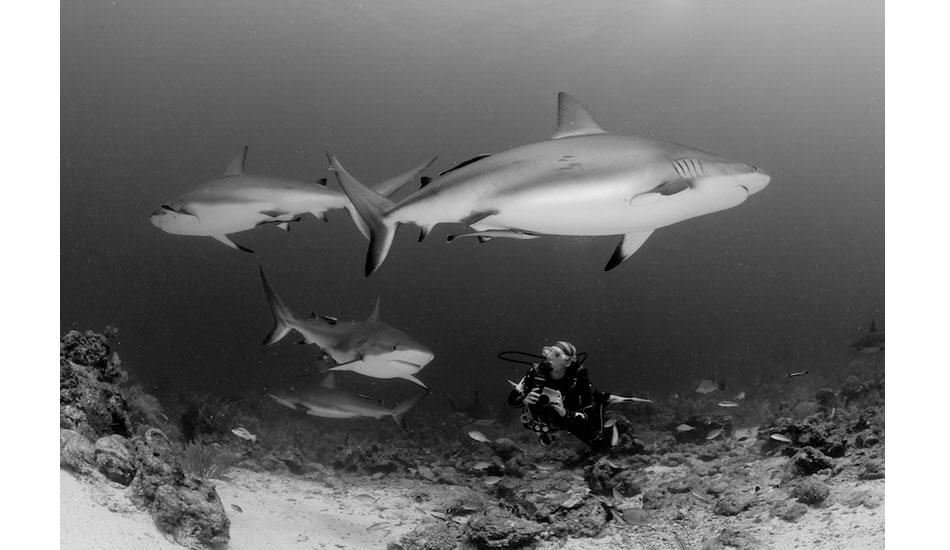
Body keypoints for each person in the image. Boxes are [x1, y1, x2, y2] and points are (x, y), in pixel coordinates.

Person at [507, 340, 633, 449]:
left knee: (597, 441)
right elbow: (512, 400)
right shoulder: (535, 373)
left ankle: (601, 400)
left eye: (556, 355)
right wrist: (524, 399)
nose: (549, 357)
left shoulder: (578, 379)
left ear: (567, 362)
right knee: (530, 425)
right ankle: (546, 433)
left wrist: (565, 412)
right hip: (543, 419)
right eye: (548, 352)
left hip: (567, 416)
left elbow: (586, 416)